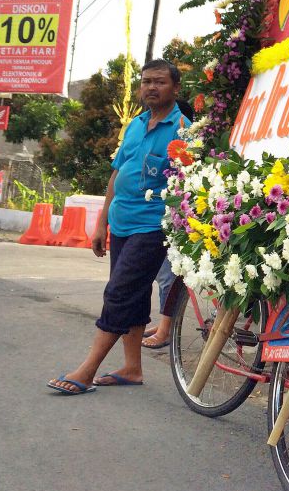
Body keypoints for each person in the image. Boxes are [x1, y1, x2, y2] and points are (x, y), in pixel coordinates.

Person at [48, 59, 186, 394]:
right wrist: (101, 222)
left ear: (175, 88)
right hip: (121, 223)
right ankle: (132, 368)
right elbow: (117, 174)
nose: (151, 87)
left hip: (153, 226)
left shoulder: (184, 129)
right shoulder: (136, 125)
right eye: (146, 81)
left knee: (119, 293)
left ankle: (86, 370)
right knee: (134, 297)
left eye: (159, 82)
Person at [141, 97, 195, 350]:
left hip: (175, 217)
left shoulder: (184, 140)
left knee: (168, 276)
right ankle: (165, 323)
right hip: (162, 216)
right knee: (164, 275)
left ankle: (166, 329)